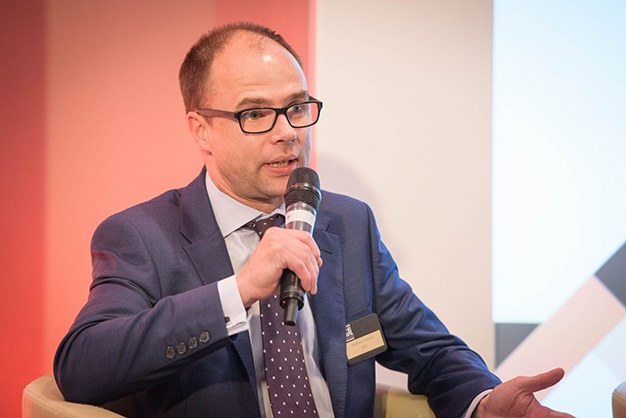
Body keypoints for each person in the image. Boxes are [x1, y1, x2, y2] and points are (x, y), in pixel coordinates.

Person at [54, 22, 572, 418]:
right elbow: (83, 367)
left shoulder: (346, 222)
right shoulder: (143, 236)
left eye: (298, 108)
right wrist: (238, 291)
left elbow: (428, 348)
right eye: (255, 114)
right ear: (201, 130)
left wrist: (483, 401)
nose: (288, 133)